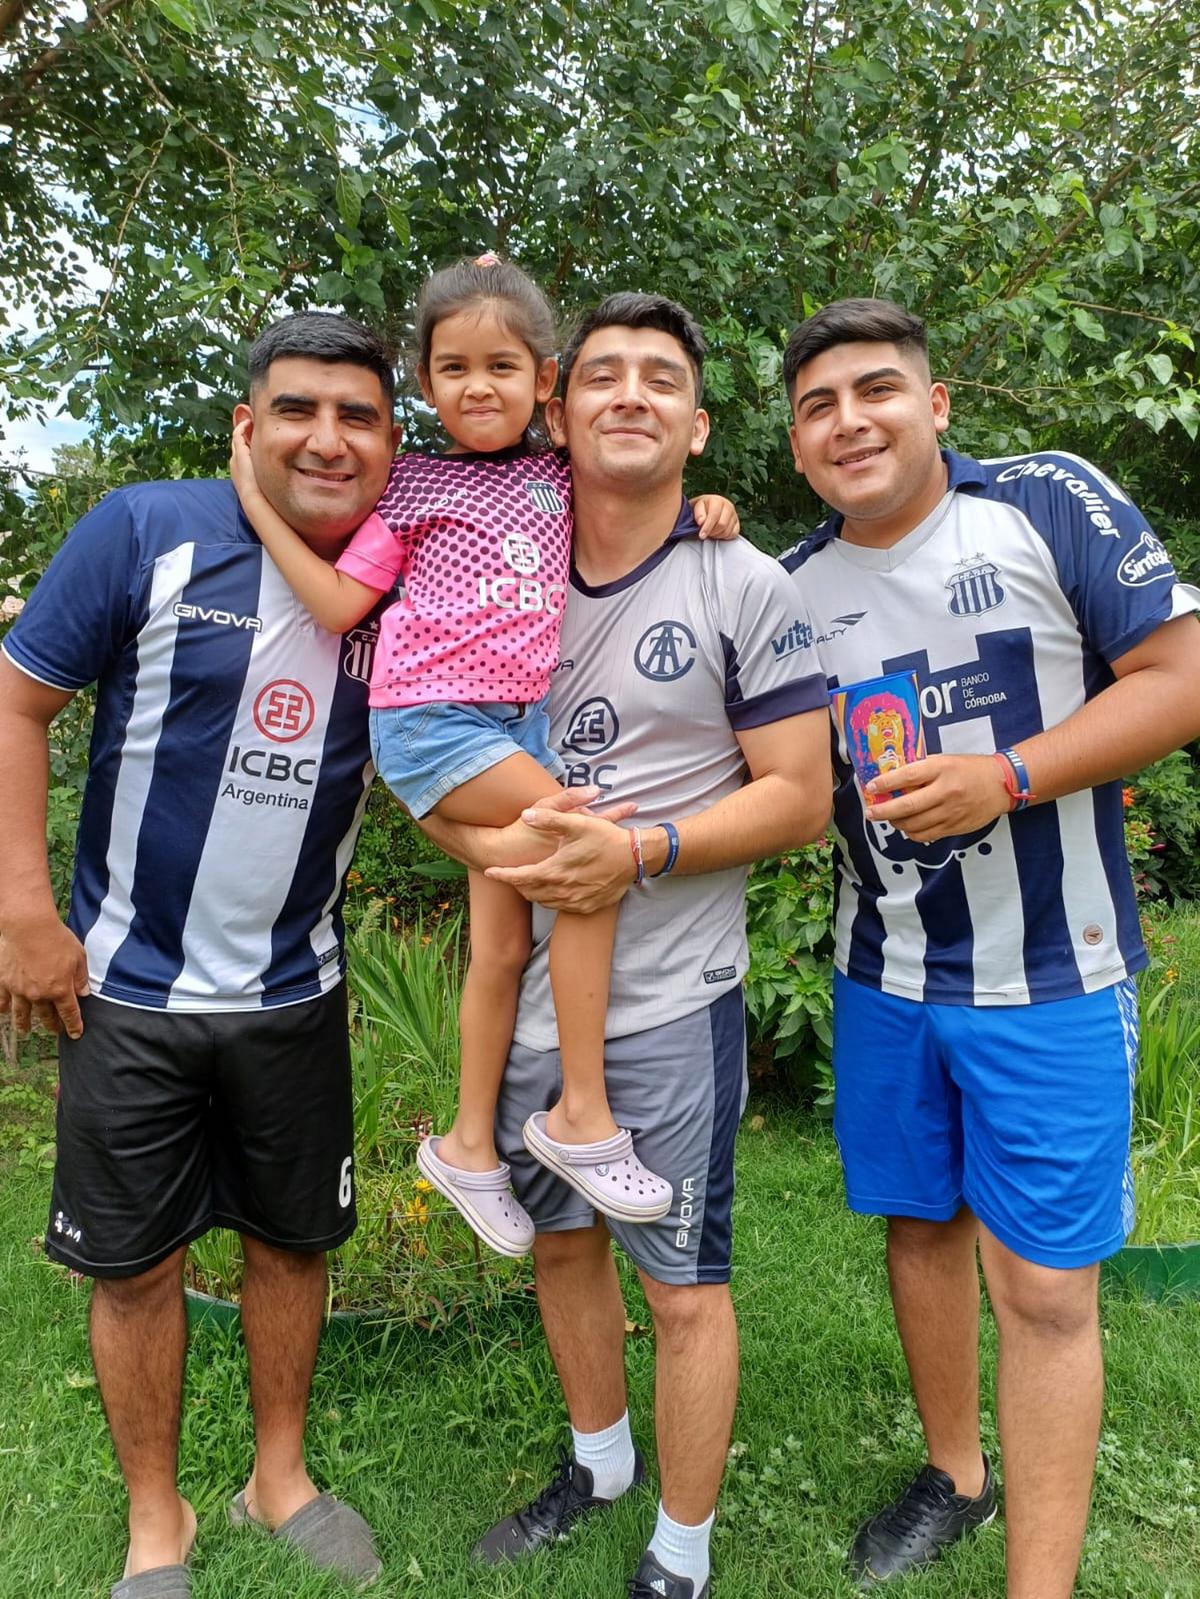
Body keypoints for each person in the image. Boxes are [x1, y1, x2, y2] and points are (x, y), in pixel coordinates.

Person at [778, 297, 1200, 1596]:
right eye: (816, 405)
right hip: (883, 974)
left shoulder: (1045, 503)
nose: (849, 420)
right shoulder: (787, 589)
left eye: (875, 389)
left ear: (936, 402)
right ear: (795, 443)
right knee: (919, 1225)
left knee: (1049, 1289)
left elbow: (1180, 676)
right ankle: (956, 1471)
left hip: (1054, 975)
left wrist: (1007, 774)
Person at [419, 292, 832, 1599]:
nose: (632, 394)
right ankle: (599, 1460)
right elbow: (426, 739)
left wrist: (640, 848)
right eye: (603, 374)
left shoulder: (743, 579)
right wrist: (494, 850)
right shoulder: (494, 569)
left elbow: (800, 794)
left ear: (700, 426)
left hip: (669, 1002)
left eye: (663, 378)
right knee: (559, 1245)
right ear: (557, 406)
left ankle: (682, 1546)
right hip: (527, 993)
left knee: (682, 1283)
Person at [0, 312, 403, 1597]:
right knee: (137, 1264)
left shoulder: (411, 580)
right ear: (247, 425)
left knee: (291, 1246)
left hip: (297, 988)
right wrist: (22, 911)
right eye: (297, 409)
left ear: (392, 446)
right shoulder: (144, 529)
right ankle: (156, 1522)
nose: (326, 438)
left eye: (357, 416)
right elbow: (19, 700)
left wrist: (707, 511)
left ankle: (277, 1477)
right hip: (121, 990)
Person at [231, 255, 740, 1259]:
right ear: (425, 382)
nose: (478, 386)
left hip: (521, 725)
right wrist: (256, 502)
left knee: (507, 945)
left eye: (502, 366)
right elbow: (339, 605)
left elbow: (638, 502)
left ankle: (468, 1144)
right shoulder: (410, 487)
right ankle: (580, 1114)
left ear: (543, 382)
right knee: (590, 852)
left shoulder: (560, 474)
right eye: (454, 367)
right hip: (432, 716)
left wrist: (706, 512)